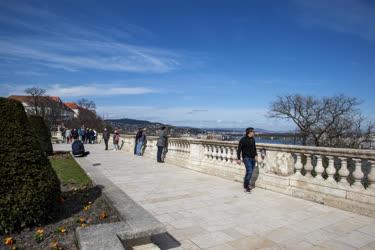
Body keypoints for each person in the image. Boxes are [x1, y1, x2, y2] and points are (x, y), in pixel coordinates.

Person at [236, 127, 258, 193]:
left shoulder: (253, 139)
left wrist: (256, 155)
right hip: (246, 158)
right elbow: (239, 149)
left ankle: (246, 183)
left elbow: (254, 148)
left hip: (252, 158)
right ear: (249, 132)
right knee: (250, 171)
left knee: (249, 172)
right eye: (253, 132)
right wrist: (239, 159)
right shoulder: (243, 140)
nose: (254, 133)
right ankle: (246, 187)